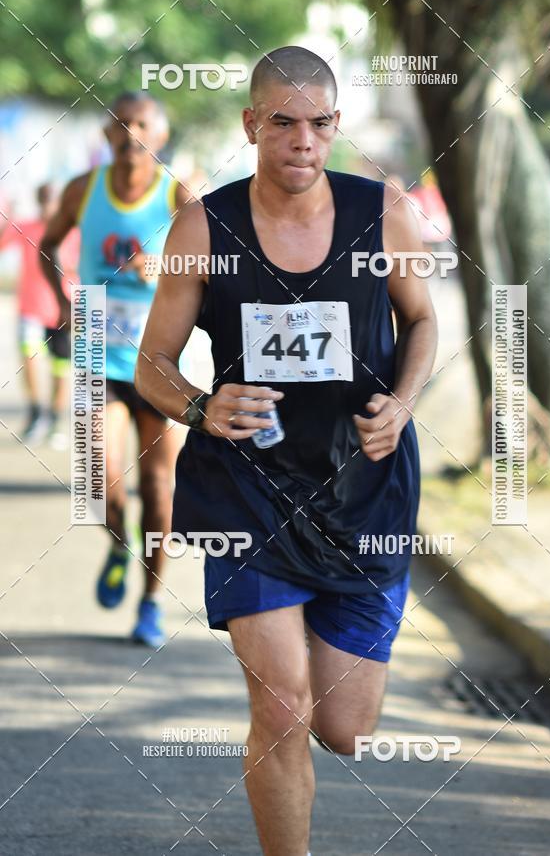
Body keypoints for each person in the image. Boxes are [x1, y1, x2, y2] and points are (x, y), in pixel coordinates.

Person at [135, 46, 438, 855]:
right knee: (281, 708)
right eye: (283, 122)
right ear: (251, 125)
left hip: (364, 493)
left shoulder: (385, 213)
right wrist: (202, 405)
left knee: (343, 727)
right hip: (250, 492)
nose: (303, 140)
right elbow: (151, 362)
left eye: (320, 124)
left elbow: (425, 322)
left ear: (336, 127)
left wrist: (402, 405)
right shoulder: (205, 224)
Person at [40, 92, 190, 647]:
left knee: (159, 488)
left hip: (159, 354)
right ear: (106, 135)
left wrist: (169, 269)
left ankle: (150, 604)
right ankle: (117, 542)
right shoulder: (84, 190)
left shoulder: (178, 195)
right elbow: (47, 245)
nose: (131, 133)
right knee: (98, 476)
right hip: (96, 344)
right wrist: (62, 302)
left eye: (142, 123)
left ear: (161, 134)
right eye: (120, 124)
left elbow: (219, 262)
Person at [0, 183, 79, 446]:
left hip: (63, 311)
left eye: (52, 200)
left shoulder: (74, 231)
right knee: (30, 357)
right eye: (43, 200)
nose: (47, 206)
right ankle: (36, 413)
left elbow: (87, 264)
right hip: (30, 308)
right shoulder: (25, 226)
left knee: (61, 367)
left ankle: (55, 419)